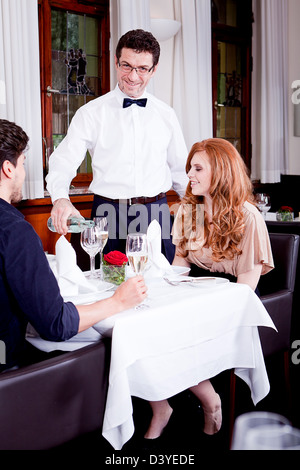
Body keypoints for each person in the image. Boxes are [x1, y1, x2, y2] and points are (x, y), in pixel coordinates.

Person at [143, 138, 274, 439]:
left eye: (198, 168)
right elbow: (178, 267)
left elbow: (244, 292)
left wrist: (198, 306)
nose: (189, 174)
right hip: (192, 294)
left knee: (170, 332)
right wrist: (162, 291)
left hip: (232, 303)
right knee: (146, 321)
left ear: (223, 172)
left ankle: (207, 401)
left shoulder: (249, 217)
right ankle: (169, 404)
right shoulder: (189, 211)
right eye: (190, 167)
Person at [0, 119, 147, 373]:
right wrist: (118, 301)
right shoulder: (14, 231)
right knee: (107, 349)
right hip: (9, 372)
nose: (24, 173)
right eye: (23, 164)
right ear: (8, 169)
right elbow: (56, 324)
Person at [46, 29, 188, 263]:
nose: (133, 76)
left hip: (156, 215)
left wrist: (202, 210)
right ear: (115, 61)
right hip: (107, 214)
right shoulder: (90, 113)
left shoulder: (166, 115)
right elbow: (63, 162)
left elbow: (180, 172)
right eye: (126, 66)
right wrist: (60, 197)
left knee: (162, 289)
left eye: (142, 68)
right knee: (108, 287)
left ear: (154, 70)